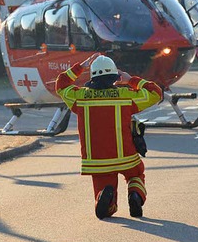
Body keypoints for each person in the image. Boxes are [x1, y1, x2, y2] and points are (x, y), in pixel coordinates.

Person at [56, 53, 163, 219]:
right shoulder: (126, 95)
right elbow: (156, 93)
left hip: (96, 161)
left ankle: (105, 196)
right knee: (136, 174)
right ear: (114, 77)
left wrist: (80, 67)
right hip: (126, 157)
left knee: (106, 204)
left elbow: (61, 85)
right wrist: (131, 80)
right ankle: (135, 194)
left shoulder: (79, 97)